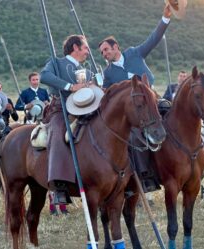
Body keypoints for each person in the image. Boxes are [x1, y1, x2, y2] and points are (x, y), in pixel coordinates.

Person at [40, 34, 92, 204]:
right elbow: (45, 76)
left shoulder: (88, 69)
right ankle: (59, 185)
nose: (88, 51)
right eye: (85, 47)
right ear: (75, 47)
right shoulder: (56, 63)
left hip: (85, 108)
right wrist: (70, 86)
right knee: (59, 133)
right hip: (60, 108)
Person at [98, 3, 172, 88]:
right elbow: (105, 94)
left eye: (106, 49)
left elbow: (153, 40)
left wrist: (165, 18)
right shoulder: (107, 74)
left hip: (151, 95)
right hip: (129, 100)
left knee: (166, 102)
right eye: (102, 52)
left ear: (115, 47)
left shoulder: (134, 52)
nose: (104, 54)